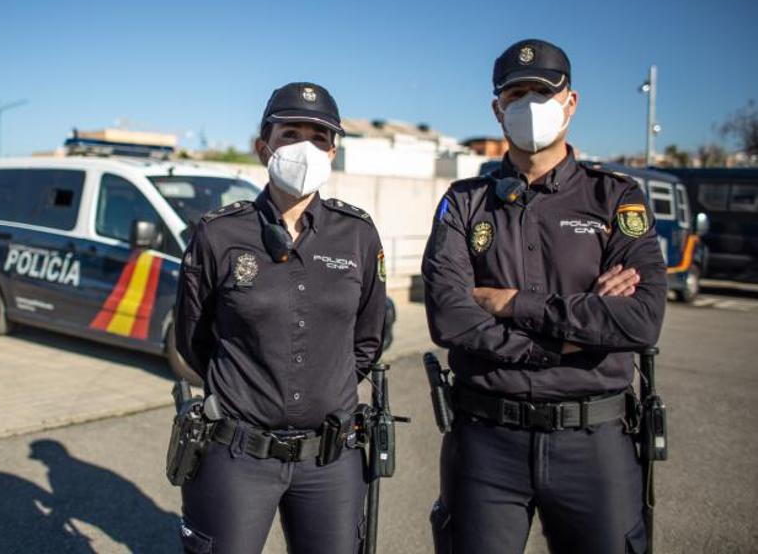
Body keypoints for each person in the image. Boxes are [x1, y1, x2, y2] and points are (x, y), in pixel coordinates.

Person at [422, 39, 667, 554]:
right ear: (498, 109)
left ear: (570, 103)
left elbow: (641, 321)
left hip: (594, 443)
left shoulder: (616, 198)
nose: (529, 105)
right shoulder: (465, 203)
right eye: (516, 94)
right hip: (486, 440)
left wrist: (512, 303)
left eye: (543, 92)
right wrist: (575, 336)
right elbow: (451, 318)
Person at [174, 81, 387, 553]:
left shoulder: (358, 236)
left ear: (333, 151)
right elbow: (194, 340)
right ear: (262, 147)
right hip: (238, 454)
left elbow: (368, 338)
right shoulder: (217, 234)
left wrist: (323, 390)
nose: (305, 148)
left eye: (320, 138)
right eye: (291, 134)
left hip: (330, 460)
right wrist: (247, 391)